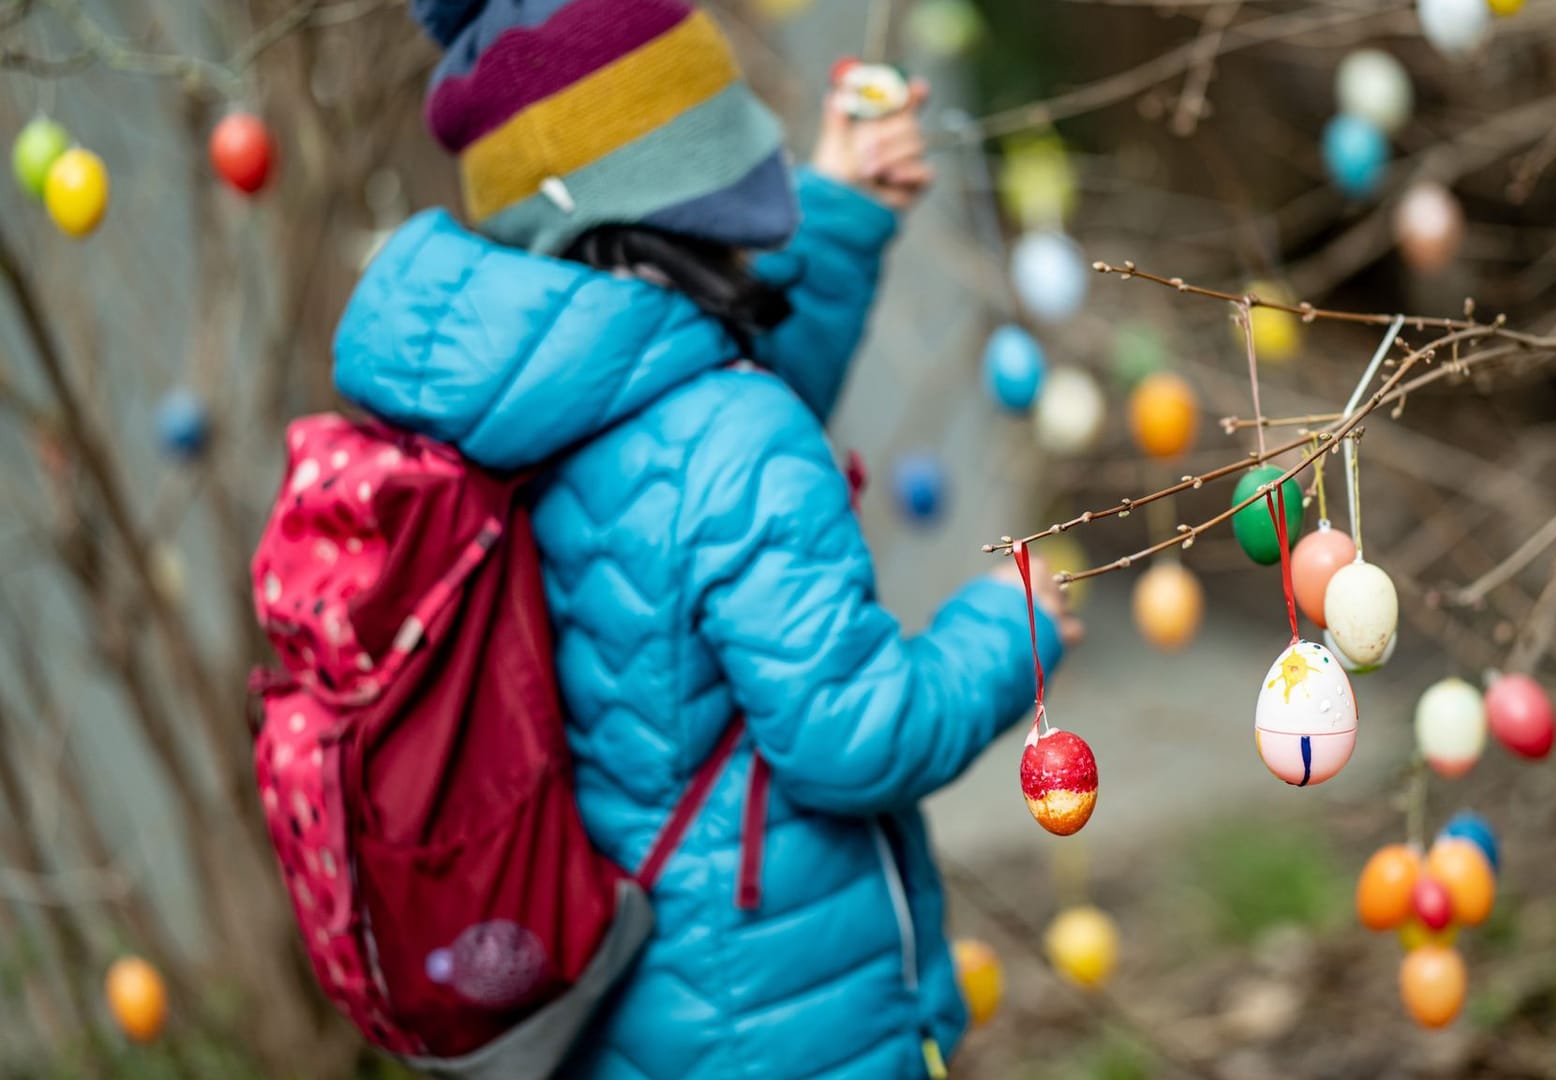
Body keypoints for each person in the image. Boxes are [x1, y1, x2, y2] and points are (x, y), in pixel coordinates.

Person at [332, 0, 1081, 1076]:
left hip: (631, 1006)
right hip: (794, 1021)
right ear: (676, 188)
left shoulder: (503, 405)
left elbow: (705, 435)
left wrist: (833, 211)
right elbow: (852, 733)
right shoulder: (731, 430)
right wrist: (1010, 635)